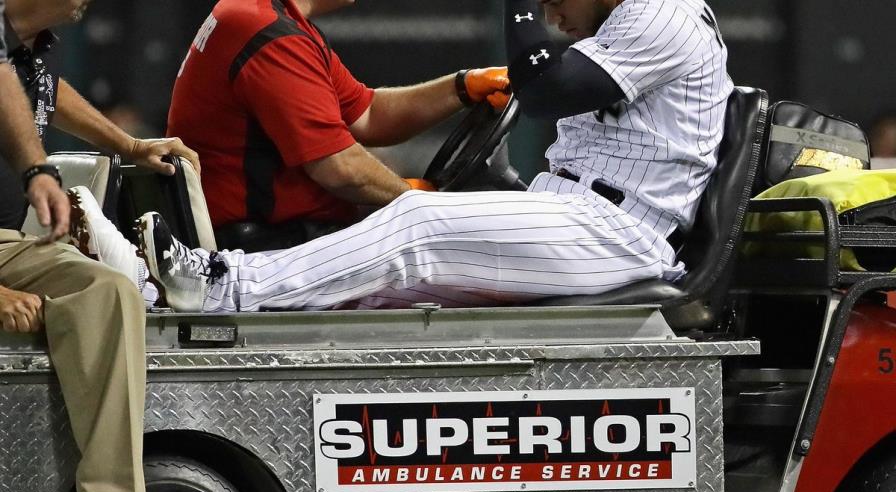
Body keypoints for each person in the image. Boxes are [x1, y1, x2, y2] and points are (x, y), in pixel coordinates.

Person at [79, 0, 732, 313]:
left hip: (621, 233)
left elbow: (547, 92)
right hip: (572, 212)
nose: (550, 14)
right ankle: (157, 291)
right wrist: (462, 87)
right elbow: (365, 123)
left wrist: (417, 201)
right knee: (374, 291)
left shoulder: (663, 12)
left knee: (419, 225)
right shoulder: (264, 22)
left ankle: (216, 285)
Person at [0, 0, 206, 492]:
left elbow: (47, 94)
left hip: (8, 243)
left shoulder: (21, 55)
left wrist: (130, 146)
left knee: (108, 290)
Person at [167, 0, 510, 238]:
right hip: (271, 248)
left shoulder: (271, 19)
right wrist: (415, 199)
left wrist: (463, 86)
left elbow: (368, 114)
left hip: (291, 238)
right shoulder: (268, 33)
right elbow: (340, 169)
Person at [0, 0, 202, 230]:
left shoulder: (40, 45)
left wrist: (131, 146)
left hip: (19, 235)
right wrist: (37, 169)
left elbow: (48, 89)